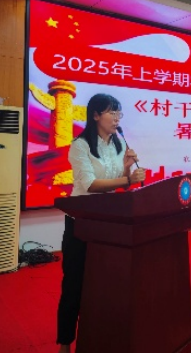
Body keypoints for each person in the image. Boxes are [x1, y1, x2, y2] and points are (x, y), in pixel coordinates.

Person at [56, 93, 145, 353]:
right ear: (95, 115)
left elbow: (119, 183)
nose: (117, 118)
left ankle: (99, 337)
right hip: (81, 224)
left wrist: (127, 168)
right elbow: (90, 184)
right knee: (74, 284)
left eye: (119, 113)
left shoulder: (119, 143)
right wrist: (127, 179)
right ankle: (65, 343)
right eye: (111, 113)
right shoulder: (80, 145)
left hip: (108, 223)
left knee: (106, 284)